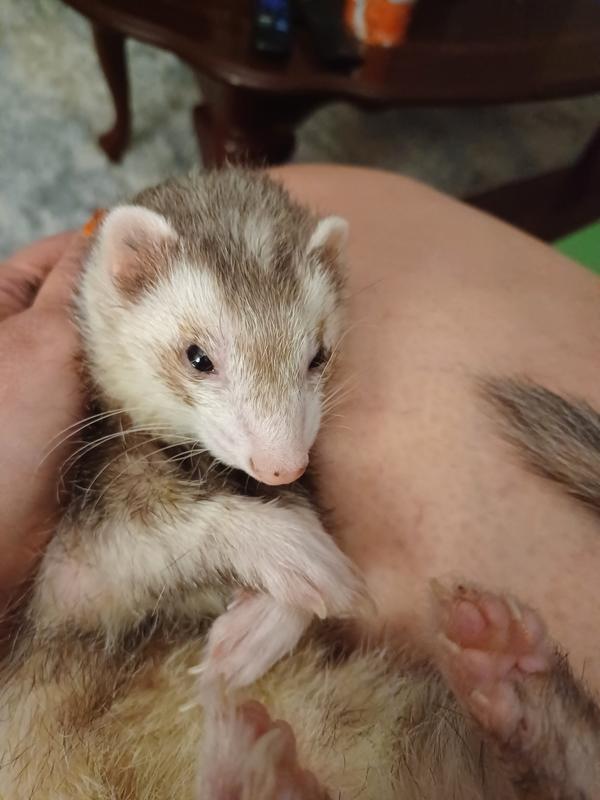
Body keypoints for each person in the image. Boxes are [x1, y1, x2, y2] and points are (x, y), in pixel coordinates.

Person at [2, 165, 600, 692]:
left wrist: (286, 588)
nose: (283, 453)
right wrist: (238, 540)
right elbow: (69, 590)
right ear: (126, 275)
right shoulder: (86, 431)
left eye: (314, 362)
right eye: (201, 361)